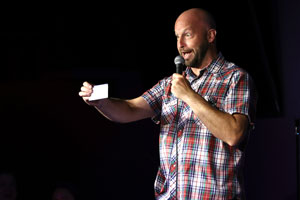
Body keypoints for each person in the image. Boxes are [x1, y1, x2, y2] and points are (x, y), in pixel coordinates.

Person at [79, 8, 257, 199]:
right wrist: (101, 103)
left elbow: (234, 133)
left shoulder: (234, 78)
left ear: (210, 35)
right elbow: (130, 109)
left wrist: (189, 95)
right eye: (177, 36)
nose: (181, 44)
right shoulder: (170, 84)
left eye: (187, 34)